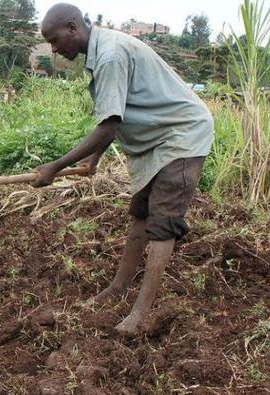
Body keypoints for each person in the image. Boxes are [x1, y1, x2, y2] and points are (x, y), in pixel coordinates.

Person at [33, 3, 214, 335]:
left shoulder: (110, 55)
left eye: (55, 40)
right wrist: (95, 159)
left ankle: (141, 314)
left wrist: (55, 167)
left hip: (181, 135)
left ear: (73, 28)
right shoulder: (104, 51)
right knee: (140, 213)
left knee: (162, 223)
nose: (54, 49)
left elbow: (108, 127)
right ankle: (119, 288)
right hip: (156, 140)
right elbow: (113, 116)